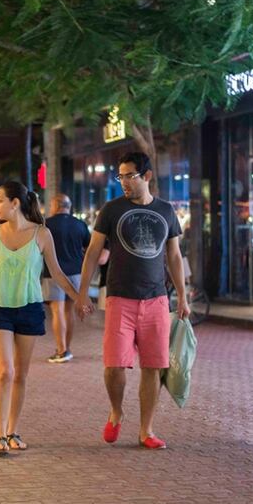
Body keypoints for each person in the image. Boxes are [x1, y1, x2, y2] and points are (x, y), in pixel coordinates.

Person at [76, 152, 190, 450]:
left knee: (153, 367)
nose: (124, 182)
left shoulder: (166, 211)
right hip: (119, 298)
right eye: (121, 176)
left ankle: (146, 430)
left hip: (156, 300)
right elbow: (92, 252)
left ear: (147, 176)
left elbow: (174, 256)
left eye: (130, 176)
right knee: (114, 366)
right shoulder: (111, 209)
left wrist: (183, 296)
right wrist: (81, 292)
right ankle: (116, 411)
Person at [0, 182, 82, 455]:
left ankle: (13, 430)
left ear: (15, 203)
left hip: (29, 309)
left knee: (20, 374)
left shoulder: (42, 234)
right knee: (4, 371)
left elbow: (55, 272)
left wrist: (79, 297)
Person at [42, 194, 91, 363]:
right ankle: (67, 348)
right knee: (69, 311)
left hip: (52, 273)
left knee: (57, 311)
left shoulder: (46, 224)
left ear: (55, 205)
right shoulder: (80, 225)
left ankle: (61, 349)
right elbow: (89, 248)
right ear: (69, 206)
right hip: (76, 273)